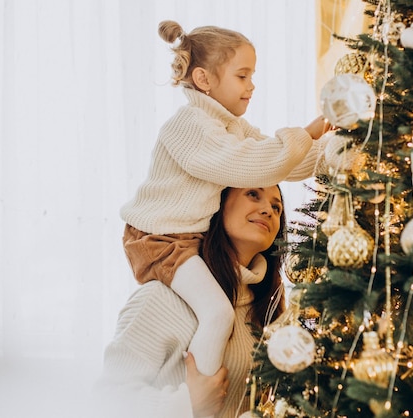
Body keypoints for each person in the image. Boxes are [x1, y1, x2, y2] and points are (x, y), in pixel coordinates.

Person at [120, 19, 330, 382]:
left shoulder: (231, 128)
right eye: (242, 76)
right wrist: (304, 134)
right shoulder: (189, 124)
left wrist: (334, 145)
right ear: (204, 80)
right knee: (217, 312)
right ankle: (202, 390)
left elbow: (278, 164)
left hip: (183, 240)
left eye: (252, 76)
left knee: (219, 310)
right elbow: (252, 163)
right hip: (159, 241)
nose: (252, 86)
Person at [97, 185, 289, 418]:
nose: (268, 210)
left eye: (276, 207)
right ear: (217, 202)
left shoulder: (269, 311)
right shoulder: (160, 298)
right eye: (253, 195)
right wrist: (186, 404)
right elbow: (107, 400)